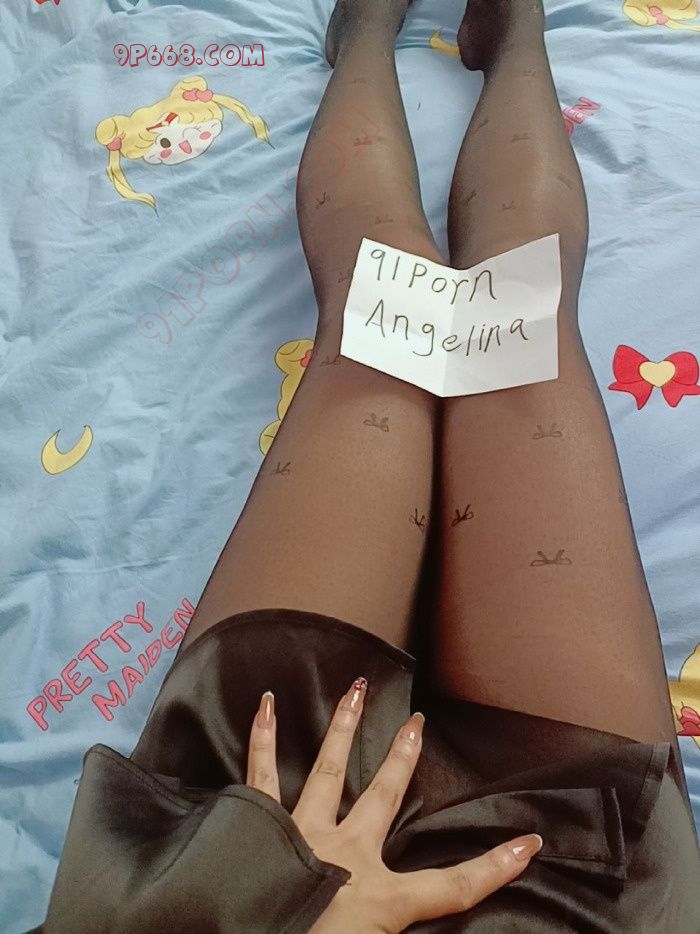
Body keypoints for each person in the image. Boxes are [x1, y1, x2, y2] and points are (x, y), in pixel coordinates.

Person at [35, 0, 700, 931]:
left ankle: (377, 33)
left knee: (393, 295)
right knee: (514, 293)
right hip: (572, 893)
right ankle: (510, 32)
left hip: (246, 873)